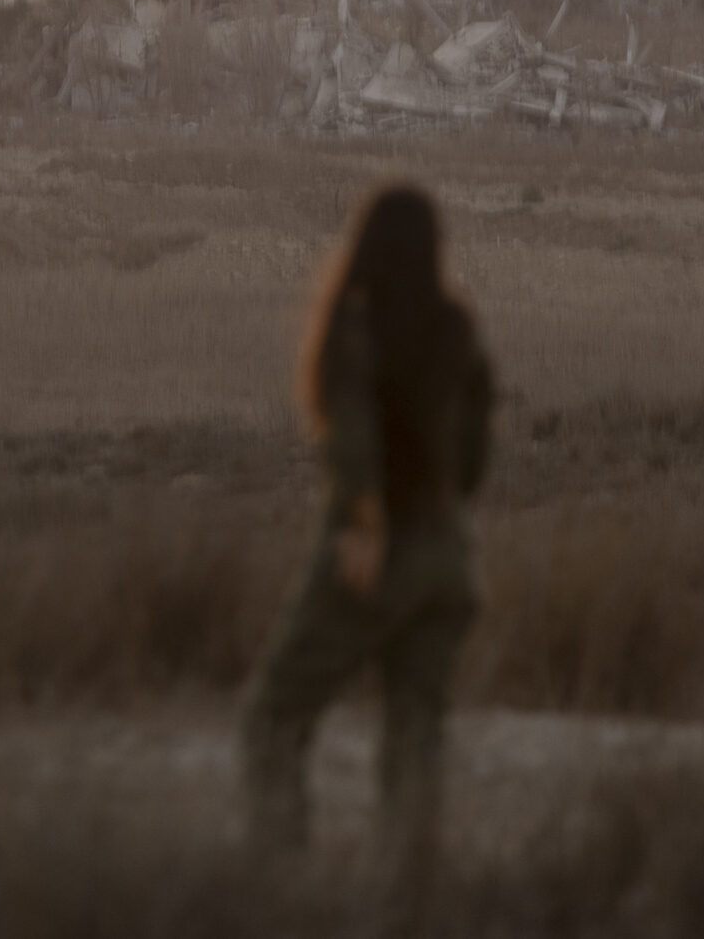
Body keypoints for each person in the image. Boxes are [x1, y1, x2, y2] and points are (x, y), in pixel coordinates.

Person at [241, 183, 495, 897]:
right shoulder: (458, 332)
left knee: (274, 714)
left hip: (379, 550)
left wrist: (364, 520)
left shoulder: (357, 326)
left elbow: (351, 430)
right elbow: (474, 459)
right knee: (416, 743)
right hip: (451, 559)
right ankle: (411, 899)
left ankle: (280, 886)